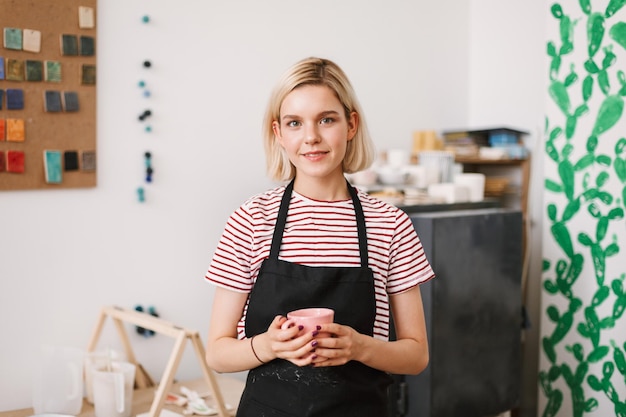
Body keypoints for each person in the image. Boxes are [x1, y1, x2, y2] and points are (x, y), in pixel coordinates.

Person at [204, 57, 435, 417]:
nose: (311, 136)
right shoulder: (251, 220)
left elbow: (416, 355)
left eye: (327, 119)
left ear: (351, 125)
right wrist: (270, 345)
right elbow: (217, 353)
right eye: (295, 123)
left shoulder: (391, 224)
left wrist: (359, 348)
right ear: (279, 133)